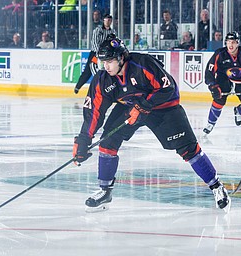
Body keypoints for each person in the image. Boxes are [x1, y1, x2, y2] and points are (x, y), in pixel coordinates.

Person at [72, 34, 231, 212]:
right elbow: (94, 111)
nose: (106, 66)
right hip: (131, 107)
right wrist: (84, 139)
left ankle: (216, 186)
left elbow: (168, 88)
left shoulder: (143, 64)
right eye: (103, 62)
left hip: (162, 107)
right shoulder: (103, 79)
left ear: (121, 57)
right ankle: (104, 191)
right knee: (108, 141)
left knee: (188, 149)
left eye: (109, 61)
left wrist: (145, 105)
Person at [203, 31, 241, 134]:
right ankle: (210, 123)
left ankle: (238, 111)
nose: (231, 45)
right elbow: (209, 71)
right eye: (228, 42)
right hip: (224, 78)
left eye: (233, 42)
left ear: (238, 43)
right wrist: (212, 85)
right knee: (219, 98)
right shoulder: (219, 54)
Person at [74, 13, 116, 94]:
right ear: (103, 20)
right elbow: (94, 42)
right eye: (107, 19)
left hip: (107, 55)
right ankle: (78, 86)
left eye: (110, 20)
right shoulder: (98, 30)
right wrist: (99, 54)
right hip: (95, 53)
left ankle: (106, 87)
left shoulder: (112, 31)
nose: (108, 21)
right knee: (88, 71)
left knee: (107, 70)